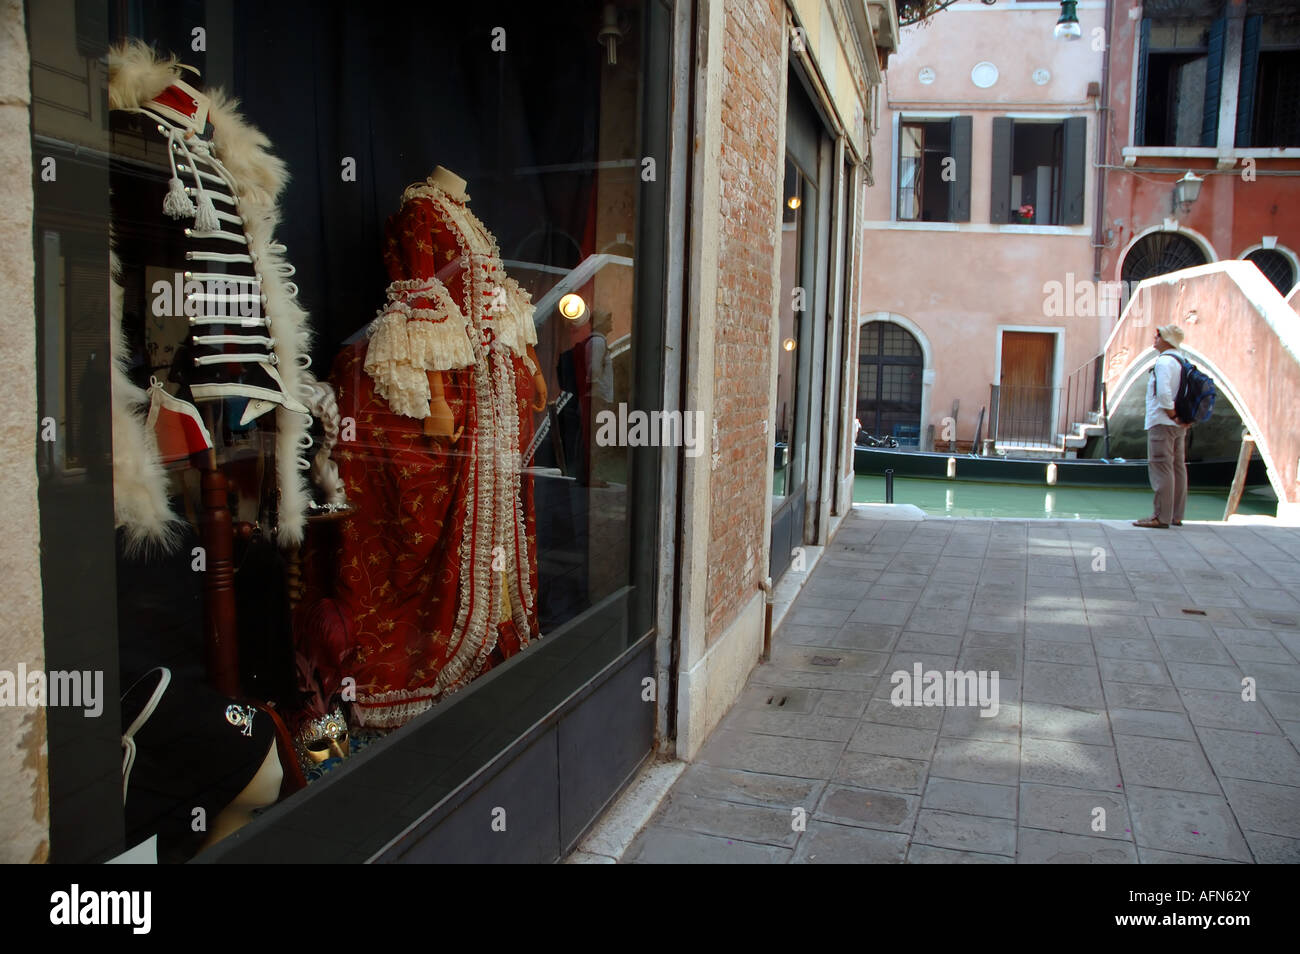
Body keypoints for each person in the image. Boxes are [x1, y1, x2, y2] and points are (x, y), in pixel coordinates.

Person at [1133, 324, 1190, 529]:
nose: (1155, 337)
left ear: (1167, 340)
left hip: (1163, 422)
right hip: (1178, 424)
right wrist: (1178, 418)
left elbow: (1164, 393)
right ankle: (1175, 514)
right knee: (1177, 467)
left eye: (1159, 335)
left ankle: (1161, 516)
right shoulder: (1182, 361)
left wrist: (1171, 414)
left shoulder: (1164, 362)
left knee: (1161, 467)